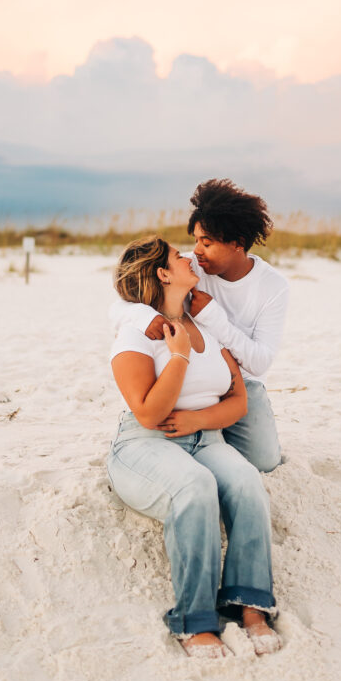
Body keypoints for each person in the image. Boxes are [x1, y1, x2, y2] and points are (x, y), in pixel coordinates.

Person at [107, 235, 281, 658]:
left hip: (207, 437)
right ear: (163, 273)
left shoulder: (206, 324)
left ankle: (249, 603)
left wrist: (199, 420)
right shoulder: (136, 333)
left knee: (246, 483)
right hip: (147, 444)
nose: (189, 257)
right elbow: (149, 413)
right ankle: (194, 620)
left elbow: (237, 400)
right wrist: (179, 356)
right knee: (196, 488)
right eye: (176, 256)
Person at [109, 179, 289, 473]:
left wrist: (213, 317)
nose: (197, 251)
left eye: (207, 242)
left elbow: (259, 362)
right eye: (195, 239)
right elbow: (120, 304)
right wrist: (144, 317)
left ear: (237, 244)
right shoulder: (192, 266)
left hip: (238, 386)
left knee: (264, 462)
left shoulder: (273, 287)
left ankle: (217, 441)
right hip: (193, 374)